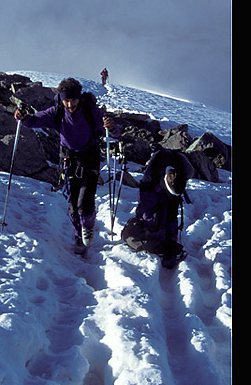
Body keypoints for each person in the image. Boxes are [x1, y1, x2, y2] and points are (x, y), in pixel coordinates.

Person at [14, 77, 121, 254]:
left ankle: (87, 230)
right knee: (72, 203)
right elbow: (33, 121)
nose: (70, 104)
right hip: (68, 160)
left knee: (84, 201)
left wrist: (112, 127)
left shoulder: (90, 110)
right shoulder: (56, 112)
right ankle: (79, 236)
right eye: (66, 100)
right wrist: (23, 118)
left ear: (79, 98)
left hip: (90, 158)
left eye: (73, 100)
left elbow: (111, 131)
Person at [122, 149, 195, 268]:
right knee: (152, 213)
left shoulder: (186, 171)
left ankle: (165, 241)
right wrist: (155, 236)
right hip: (154, 182)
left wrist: (171, 241)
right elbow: (147, 210)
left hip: (173, 169)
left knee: (170, 209)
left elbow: (172, 213)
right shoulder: (150, 178)